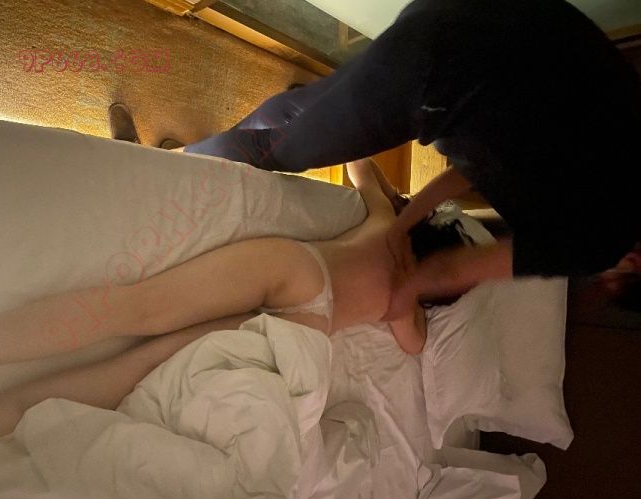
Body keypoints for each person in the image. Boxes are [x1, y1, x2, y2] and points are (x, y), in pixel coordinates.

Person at [0, 159, 474, 447]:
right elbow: (415, 348)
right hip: (304, 330)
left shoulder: (387, 228)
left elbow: (361, 164)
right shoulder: (408, 308)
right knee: (131, 372)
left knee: (133, 308)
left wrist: (399, 201)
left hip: (300, 272)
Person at [184, 0, 640, 314]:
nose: (600, 275)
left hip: (476, 18)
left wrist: (403, 224)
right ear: (635, 263)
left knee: (308, 108)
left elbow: (469, 172)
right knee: (277, 153)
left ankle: (245, 135)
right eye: (612, 276)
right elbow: (451, 269)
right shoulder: (603, 239)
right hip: (442, 68)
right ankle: (182, 161)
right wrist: (403, 298)